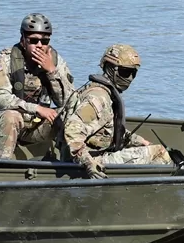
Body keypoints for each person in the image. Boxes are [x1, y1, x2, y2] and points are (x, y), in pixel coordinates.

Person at [58, 44, 172, 178]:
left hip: (94, 156)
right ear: (112, 69)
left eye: (133, 73)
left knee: (147, 148)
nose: (129, 78)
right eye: (125, 72)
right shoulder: (99, 98)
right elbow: (72, 130)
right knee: (159, 152)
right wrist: (88, 163)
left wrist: (140, 141)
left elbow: (109, 130)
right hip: (90, 161)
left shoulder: (104, 94)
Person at [0, 13, 75, 159]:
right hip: (0, 121)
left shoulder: (55, 61)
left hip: (35, 124)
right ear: (23, 40)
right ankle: (3, 166)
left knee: (71, 114)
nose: (39, 46)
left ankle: (72, 163)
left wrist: (51, 72)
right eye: (34, 40)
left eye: (44, 41)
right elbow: (1, 98)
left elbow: (69, 100)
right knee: (11, 116)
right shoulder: (4, 59)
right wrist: (37, 109)